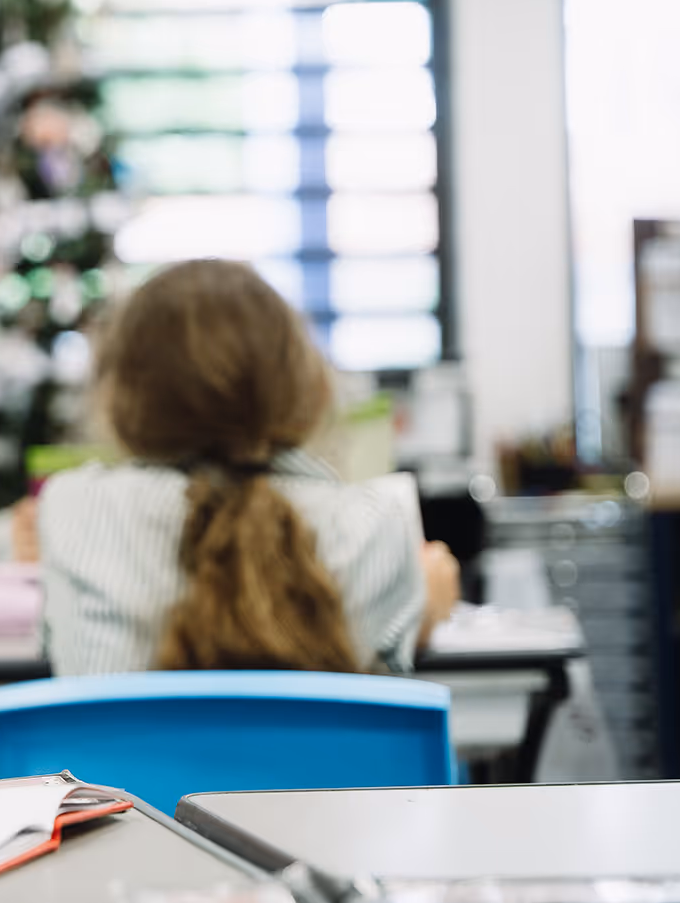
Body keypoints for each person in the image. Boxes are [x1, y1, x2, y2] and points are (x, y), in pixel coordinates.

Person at [39, 260, 460, 677]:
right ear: (306, 387)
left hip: (122, 750)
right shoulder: (374, 526)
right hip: (306, 750)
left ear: (120, 398)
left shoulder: (74, 508)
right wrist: (422, 597)